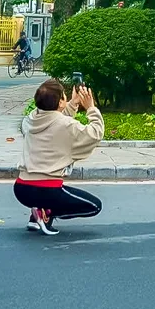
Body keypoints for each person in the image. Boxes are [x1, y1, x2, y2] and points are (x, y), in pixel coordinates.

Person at [13, 78, 105, 236]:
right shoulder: (67, 125)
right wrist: (91, 108)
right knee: (94, 206)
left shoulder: (30, 120)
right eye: (64, 96)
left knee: (44, 197)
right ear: (61, 101)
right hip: (47, 190)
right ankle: (46, 213)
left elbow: (54, 120)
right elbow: (95, 133)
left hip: (21, 189)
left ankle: (36, 216)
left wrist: (73, 103)